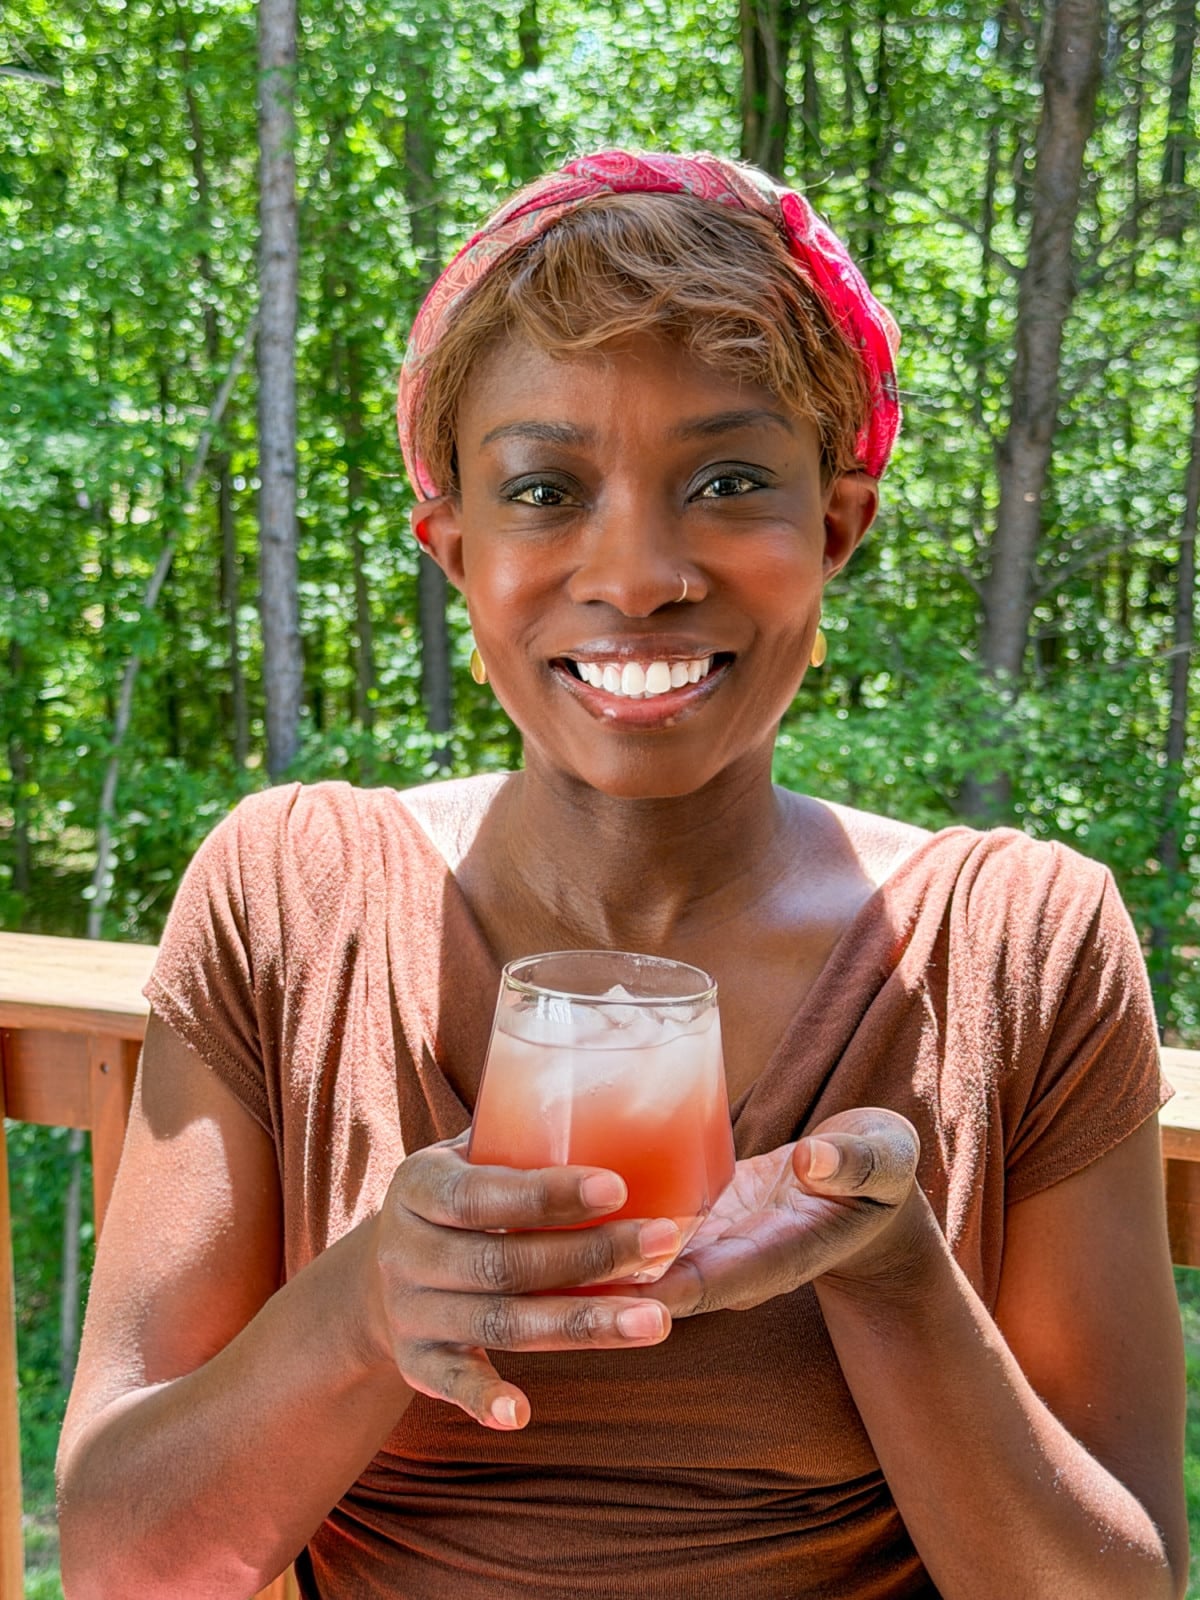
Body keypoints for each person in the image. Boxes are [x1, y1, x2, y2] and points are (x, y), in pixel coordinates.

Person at [57, 150, 1185, 1600]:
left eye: (728, 479)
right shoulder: (292, 899)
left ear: (834, 527)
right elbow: (123, 1563)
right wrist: (360, 1310)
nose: (640, 570)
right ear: (452, 547)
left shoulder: (1024, 945)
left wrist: (896, 1277)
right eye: (545, 487)